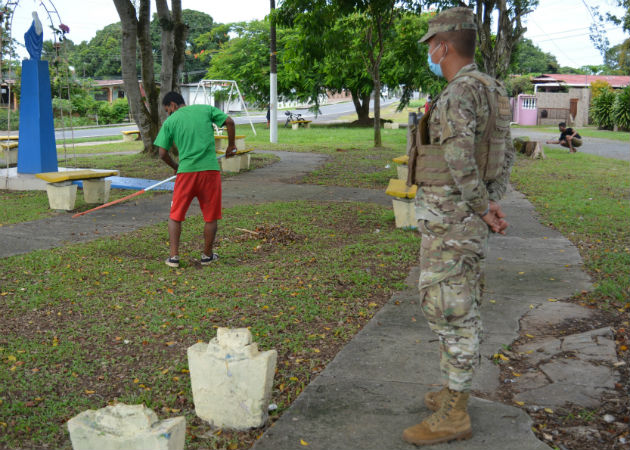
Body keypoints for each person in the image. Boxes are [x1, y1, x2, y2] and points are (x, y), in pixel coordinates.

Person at [403, 7, 514, 446]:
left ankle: (456, 412)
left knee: (450, 309)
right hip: (466, 218)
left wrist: (483, 208)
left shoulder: (457, 94)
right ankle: (451, 391)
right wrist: (491, 203)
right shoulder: (493, 88)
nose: (430, 52)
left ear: (444, 46)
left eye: (431, 45)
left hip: (453, 221)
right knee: (461, 300)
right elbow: (503, 155)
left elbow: (459, 157)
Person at [154, 91, 237, 268]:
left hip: (186, 173)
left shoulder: (171, 121)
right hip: (210, 171)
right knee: (210, 216)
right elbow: (229, 122)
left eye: (168, 110)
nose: (169, 113)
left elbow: (162, 153)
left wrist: (176, 167)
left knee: (175, 215)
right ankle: (207, 256)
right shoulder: (206, 110)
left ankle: (174, 257)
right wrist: (231, 145)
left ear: (173, 105)